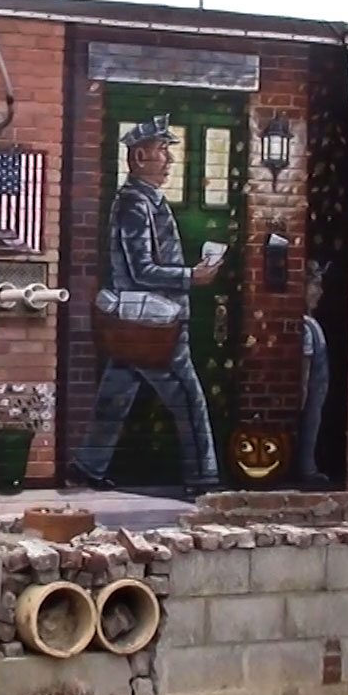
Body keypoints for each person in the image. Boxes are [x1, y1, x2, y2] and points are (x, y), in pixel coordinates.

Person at [68, 116, 222, 495]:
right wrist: (191, 277)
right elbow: (140, 270)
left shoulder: (143, 201)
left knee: (114, 396)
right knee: (189, 401)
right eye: (162, 151)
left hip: (137, 322)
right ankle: (204, 480)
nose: (169, 160)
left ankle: (87, 466)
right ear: (139, 156)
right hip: (154, 323)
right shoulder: (136, 205)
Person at [295, 261, 333, 488]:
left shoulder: (310, 325)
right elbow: (304, 366)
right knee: (309, 424)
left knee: (313, 422)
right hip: (312, 393)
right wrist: (302, 391)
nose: (320, 292)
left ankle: (307, 467)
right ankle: (306, 469)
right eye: (315, 285)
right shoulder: (307, 326)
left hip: (318, 392)